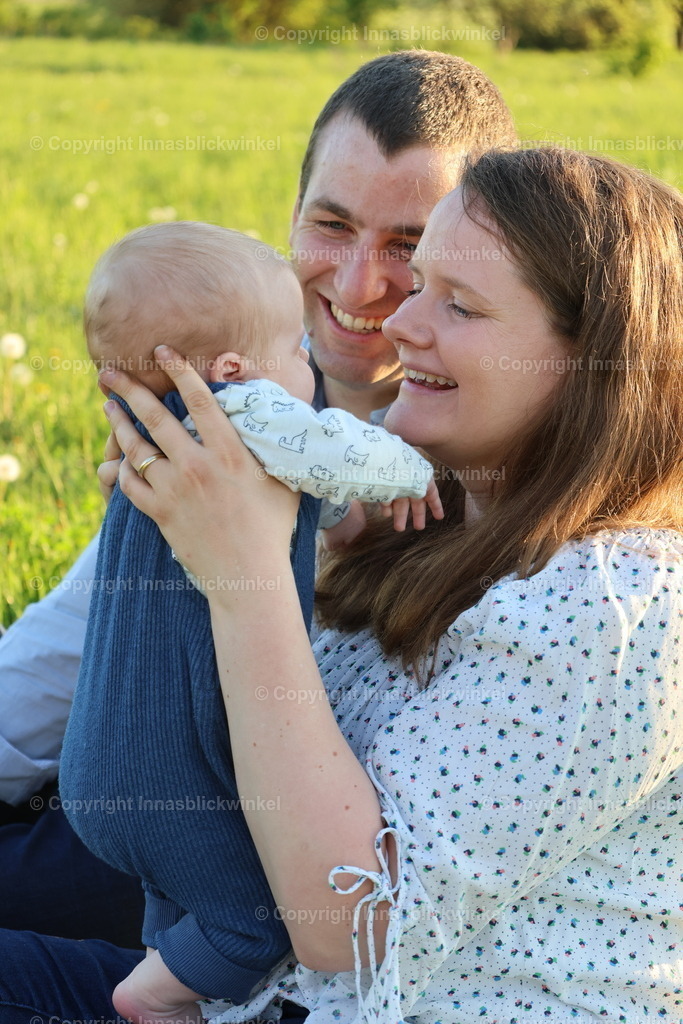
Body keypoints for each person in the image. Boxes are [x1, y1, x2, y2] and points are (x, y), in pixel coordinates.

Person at [1, 146, 681, 1024]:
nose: (400, 322)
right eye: (420, 284)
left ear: (595, 366)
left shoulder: (617, 609)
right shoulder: (439, 523)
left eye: (459, 304)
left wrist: (244, 573)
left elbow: (346, 925)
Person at [0, 48, 517, 946]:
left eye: (407, 246)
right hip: (132, 784)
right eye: (331, 225)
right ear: (292, 213)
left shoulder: (479, 450)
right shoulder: (235, 387)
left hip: (277, 873)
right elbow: (76, 636)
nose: (358, 285)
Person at [58, 220, 440, 1024]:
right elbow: (334, 450)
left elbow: (306, 490)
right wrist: (408, 470)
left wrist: (338, 516)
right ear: (233, 371)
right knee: (253, 921)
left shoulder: (162, 443)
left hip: (99, 766)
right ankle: (152, 998)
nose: (309, 367)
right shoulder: (245, 410)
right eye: (296, 350)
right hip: (170, 775)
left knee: (187, 890)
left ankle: (167, 965)